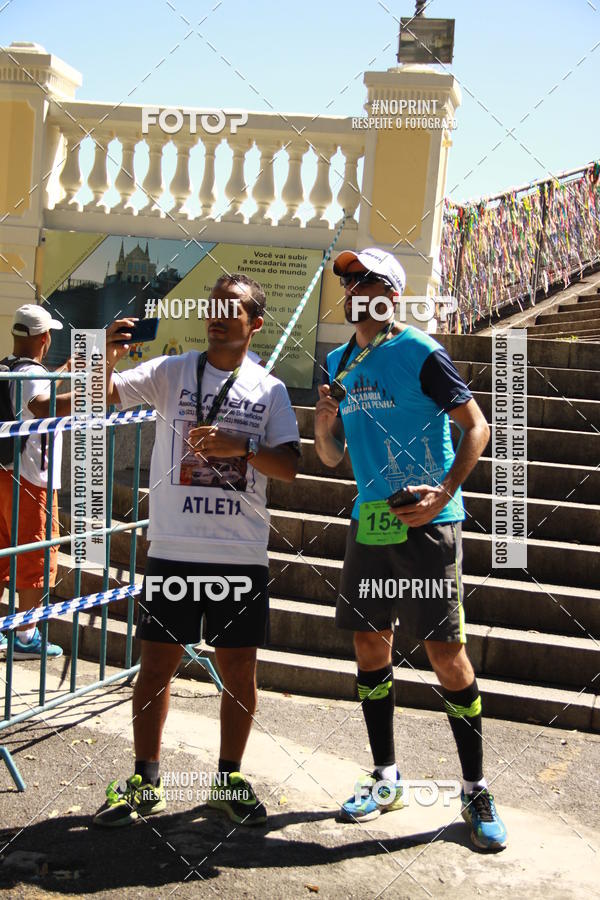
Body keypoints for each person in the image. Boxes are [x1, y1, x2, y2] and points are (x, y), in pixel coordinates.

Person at [314, 248, 507, 850]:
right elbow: (329, 456)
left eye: (364, 280)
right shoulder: (339, 361)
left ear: (391, 294)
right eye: (347, 281)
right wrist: (323, 421)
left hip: (429, 524)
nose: (351, 289)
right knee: (371, 644)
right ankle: (385, 775)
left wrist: (443, 491)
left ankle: (474, 788)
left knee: (445, 655)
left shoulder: (421, 352)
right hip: (370, 522)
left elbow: (477, 426)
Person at [94, 274, 300, 828]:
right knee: (156, 665)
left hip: (239, 553)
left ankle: (227, 780)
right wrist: (102, 355)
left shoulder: (270, 389)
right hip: (174, 546)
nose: (218, 315)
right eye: (214, 306)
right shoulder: (172, 371)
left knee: (238, 670)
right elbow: (96, 394)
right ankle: (146, 779)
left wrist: (243, 447)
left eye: (233, 309)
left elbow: (290, 466)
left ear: (255, 323)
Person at [0, 304, 72, 659]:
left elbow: (29, 397)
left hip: (4, 472)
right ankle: (25, 636)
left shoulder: (7, 367)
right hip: (32, 477)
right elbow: (41, 406)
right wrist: (85, 397)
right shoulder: (33, 374)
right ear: (44, 337)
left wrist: (69, 370)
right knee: (37, 554)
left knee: (2, 551)